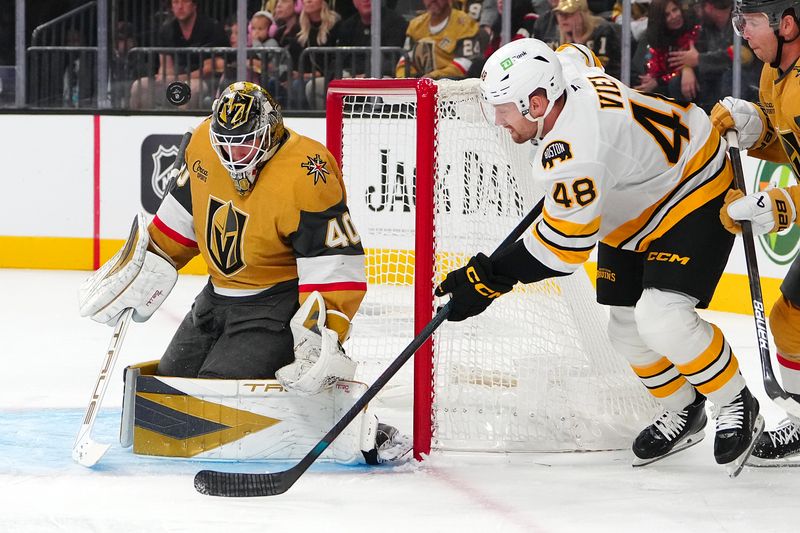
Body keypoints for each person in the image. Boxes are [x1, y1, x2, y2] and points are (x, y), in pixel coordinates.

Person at [435, 38, 764, 470]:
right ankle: (686, 408)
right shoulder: (563, 77)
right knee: (624, 332)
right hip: (634, 200)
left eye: (503, 108)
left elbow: (563, 249)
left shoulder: (575, 151)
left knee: (661, 317)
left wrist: (491, 278)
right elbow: (578, 51)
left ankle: (735, 400)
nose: (498, 121)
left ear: (536, 103)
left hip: (693, 185)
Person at [78, 81, 408, 463]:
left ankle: (359, 425)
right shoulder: (202, 142)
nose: (234, 154)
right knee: (172, 387)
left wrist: (320, 336)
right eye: (226, 142)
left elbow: (334, 266)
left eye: (246, 141)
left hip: (273, 306)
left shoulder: (308, 172)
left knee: (214, 397)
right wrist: (143, 270)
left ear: (271, 129)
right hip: (215, 298)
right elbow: (182, 218)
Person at [712, 0, 800, 464]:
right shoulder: (774, 72)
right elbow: (792, 145)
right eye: (738, 19)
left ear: (787, 23)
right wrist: (757, 132)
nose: (742, 29)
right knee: (790, 322)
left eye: (752, 21)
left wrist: (785, 203)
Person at [129, 0, 228, 109]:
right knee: (140, 85)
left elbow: (208, 69)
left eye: (185, 2)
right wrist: (164, 79)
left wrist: (176, 79)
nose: (180, 7)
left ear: (194, 5)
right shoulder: (166, 30)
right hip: (175, 79)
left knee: (191, 88)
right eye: (175, 2)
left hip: (206, 82)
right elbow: (166, 67)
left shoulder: (210, 27)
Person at [395, 0, 486, 79]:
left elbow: (466, 63)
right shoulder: (415, 25)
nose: (433, 0)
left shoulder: (464, 23)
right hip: (419, 86)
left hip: (453, 87)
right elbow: (405, 59)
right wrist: (402, 79)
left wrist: (434, 76)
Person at [634, 0, 701, 101]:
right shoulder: (656, 38)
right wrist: (653, 79)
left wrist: (687, 68)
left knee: (675, 84)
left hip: (696, 78)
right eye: (667, 15)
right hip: (667, 82)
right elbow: (659, 68)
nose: (674, 16)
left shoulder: (694, 27)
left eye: (675, 10)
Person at [333, 0, 408, 77]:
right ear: (354, 2)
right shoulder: (347, 26)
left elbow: (391, 62)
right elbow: (338, 61)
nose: (366, 0)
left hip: (384, 81)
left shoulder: (396, 23)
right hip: (352, 79)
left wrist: (366, 76)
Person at [552, 0, 622, 78]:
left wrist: (579, 44)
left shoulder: (602, 31)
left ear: (582, 14)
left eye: (569, 14)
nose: (564, 18)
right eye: (560, 14)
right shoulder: (557, 37)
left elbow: (600, 69)